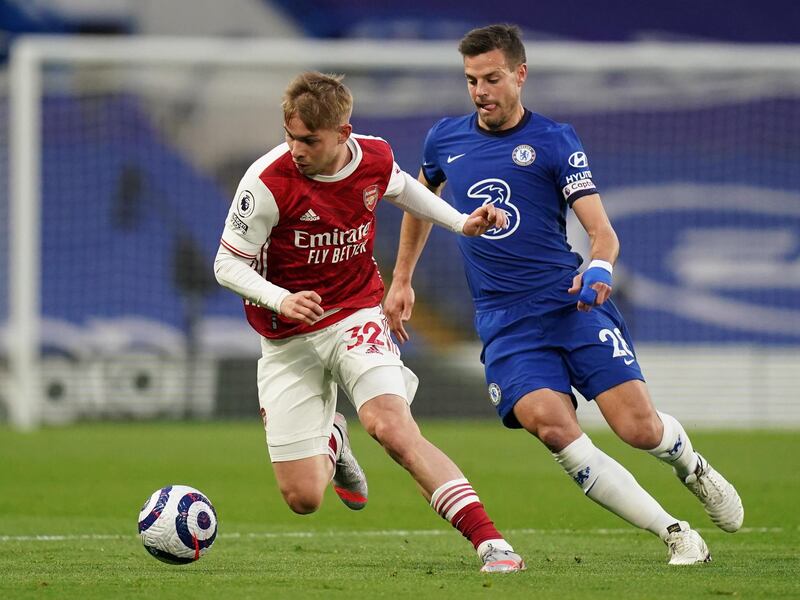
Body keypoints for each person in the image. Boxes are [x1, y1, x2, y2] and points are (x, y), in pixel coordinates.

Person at [384, 24, 744, 566]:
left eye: (492, 78)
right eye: (471, 80)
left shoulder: (554, 140)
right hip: (505, 323)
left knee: (637, 429)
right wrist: (402, 278)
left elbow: (604, 232)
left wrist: (600, 267)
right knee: (553, 428)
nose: (480, 91)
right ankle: (674, 532)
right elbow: (419, 203)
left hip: (568, 304)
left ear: (520, 75)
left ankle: (691, 466)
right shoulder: (444, 140)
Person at [214, 71, 525, 573]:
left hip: (356, 313)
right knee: (303, 498)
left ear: (343, 133)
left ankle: (492, 543)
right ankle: (333, 438)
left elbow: (405, 190)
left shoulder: (374, 157)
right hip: (287, 337)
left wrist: (461, 222)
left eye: (309, 140)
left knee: (392, 428)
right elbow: (226, 264)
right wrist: (281, 299)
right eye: (290, 136)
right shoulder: (267, 182)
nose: (296, 149)